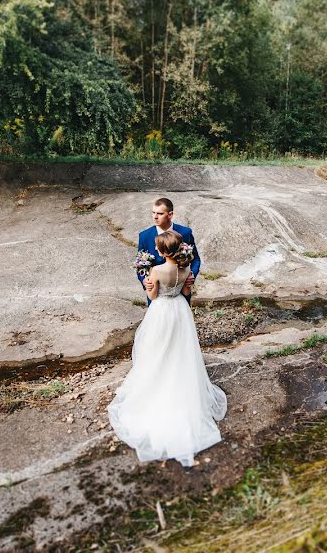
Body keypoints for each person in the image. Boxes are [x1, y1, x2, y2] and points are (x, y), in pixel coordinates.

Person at [108, 230, 227, 467]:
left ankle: (156, 383)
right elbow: (185, 292)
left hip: (161, 312)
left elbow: (151, 294)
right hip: (180, 312)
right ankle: (180, 384)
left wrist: (147, 281)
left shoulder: (156, 270)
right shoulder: (185, 271)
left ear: (162, 251)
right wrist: (187, 284)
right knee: (179, 351)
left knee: (156, 349)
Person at [137, 197, 200, 304]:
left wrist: (191, 274)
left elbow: (196, 259)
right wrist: (144, 280)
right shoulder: (145, 236)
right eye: (153, 213)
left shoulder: (185, 233)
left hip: (181, 288)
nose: (155, 217)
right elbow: (140, 263)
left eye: (160, 213)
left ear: (170, 214)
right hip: (157, 292)